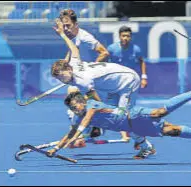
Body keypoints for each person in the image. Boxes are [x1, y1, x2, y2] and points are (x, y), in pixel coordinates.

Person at [52, 19, 155, 152]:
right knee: (106, 114)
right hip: (112, 86)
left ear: (69, 70)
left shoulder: (83, 81)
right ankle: (95, 130)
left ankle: (146, 143)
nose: (62, 80)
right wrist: (62, 34)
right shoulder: (74, 63)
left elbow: (97, 103)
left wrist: (92, 119)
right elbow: (73, 48)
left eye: (62, 76)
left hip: (127, 82)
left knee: (121, 118)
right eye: (58, 78)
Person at [46, 85, 191, 159]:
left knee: (159, 112)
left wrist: (75, 137)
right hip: (132, 127)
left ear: (80, 101)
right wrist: (56, 148)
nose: (74, 109)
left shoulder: (91, 105)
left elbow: (84, 124)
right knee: (171, 131)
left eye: (75, 105)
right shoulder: (79, 116)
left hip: (133, 115)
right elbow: (70, 133)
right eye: (72, 107)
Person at [55, 9, 130, 141]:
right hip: (81, 77)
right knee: (73, 96)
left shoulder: (85, 38)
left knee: (113, 113)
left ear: (76, 24)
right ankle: (83, 130)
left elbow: (104, 52)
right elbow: (71, 57)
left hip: (97, 78)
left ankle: (140, 140)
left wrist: (88, 70)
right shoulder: (71, 38)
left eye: (68, 25)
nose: (66, 28)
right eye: (64, 26)